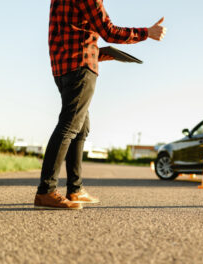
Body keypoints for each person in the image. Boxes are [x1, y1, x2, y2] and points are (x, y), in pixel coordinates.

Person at [34, 0, 166, 210]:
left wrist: (101, 53)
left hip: (63, 68)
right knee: (69, 126)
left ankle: (74, 189)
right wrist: (147, 32)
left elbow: (70, 36)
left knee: (81, 128)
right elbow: (109, 31)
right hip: (80, 68)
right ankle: (46, 191)